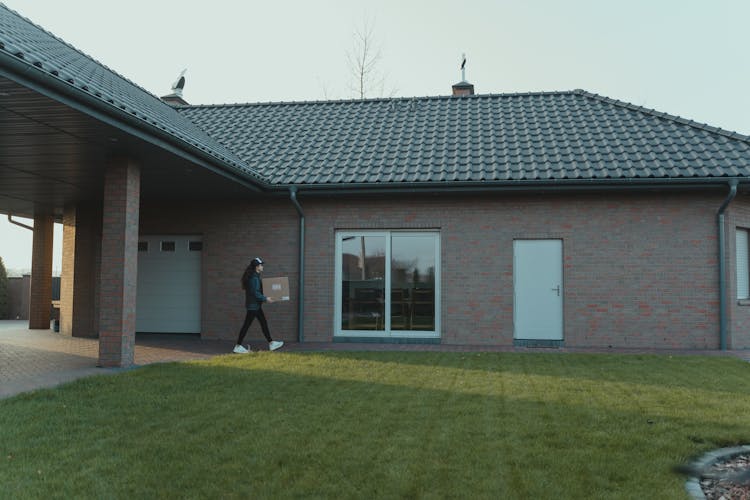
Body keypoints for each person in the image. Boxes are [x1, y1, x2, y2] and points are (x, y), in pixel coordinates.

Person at [233, 257, 284, 353]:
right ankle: (238, 346)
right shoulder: (254, 278)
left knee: (262, 323)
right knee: (248, 325)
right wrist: (266, 298)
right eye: (261, 265)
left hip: (254, 306)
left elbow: (257, 291)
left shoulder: (254, 276)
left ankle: (271, 343)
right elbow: (255, 293)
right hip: (254, 307)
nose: (262, 267)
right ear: (257, 267)